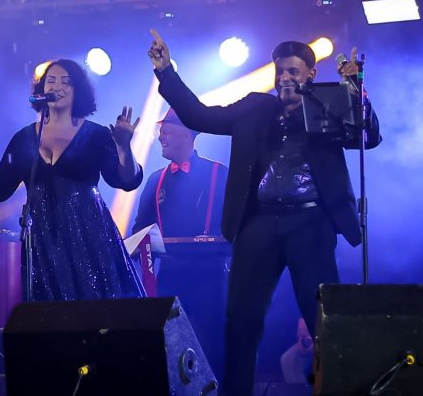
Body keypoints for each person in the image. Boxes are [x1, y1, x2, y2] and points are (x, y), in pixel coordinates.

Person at [147, 31, 381, 396]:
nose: (284, 77)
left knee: (322, 318)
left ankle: (338, 389)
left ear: (310, 74)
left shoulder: (326, 105)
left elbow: (367, 137)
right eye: (280, 71)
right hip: (258, 222)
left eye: (292, 71)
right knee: (241, 319)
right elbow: (199, 115)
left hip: (310, 223)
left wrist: (355, 90)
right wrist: (166, 72)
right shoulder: (255, 107)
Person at [0, 59, 144, 301]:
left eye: (66, 82)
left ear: (78, 90)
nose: (57, 86)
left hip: (88, 236)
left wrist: (124, 147)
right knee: (50, 312)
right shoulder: (24, 138)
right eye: (51, 81)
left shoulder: (96, 135)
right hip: (43, 240)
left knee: (95, 308)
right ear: (42, 90)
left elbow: (126, 180)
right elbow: (1, 187)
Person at [131, 107, 229, 376]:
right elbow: (140, 228)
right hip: (170, 277)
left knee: (212, 348)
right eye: (160, 131)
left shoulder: (218, 173)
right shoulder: (155, 179)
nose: (160, 137)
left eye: (165, 131)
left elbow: (233, 225)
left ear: (186, 134)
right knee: (168, 347)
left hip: (210, 276)